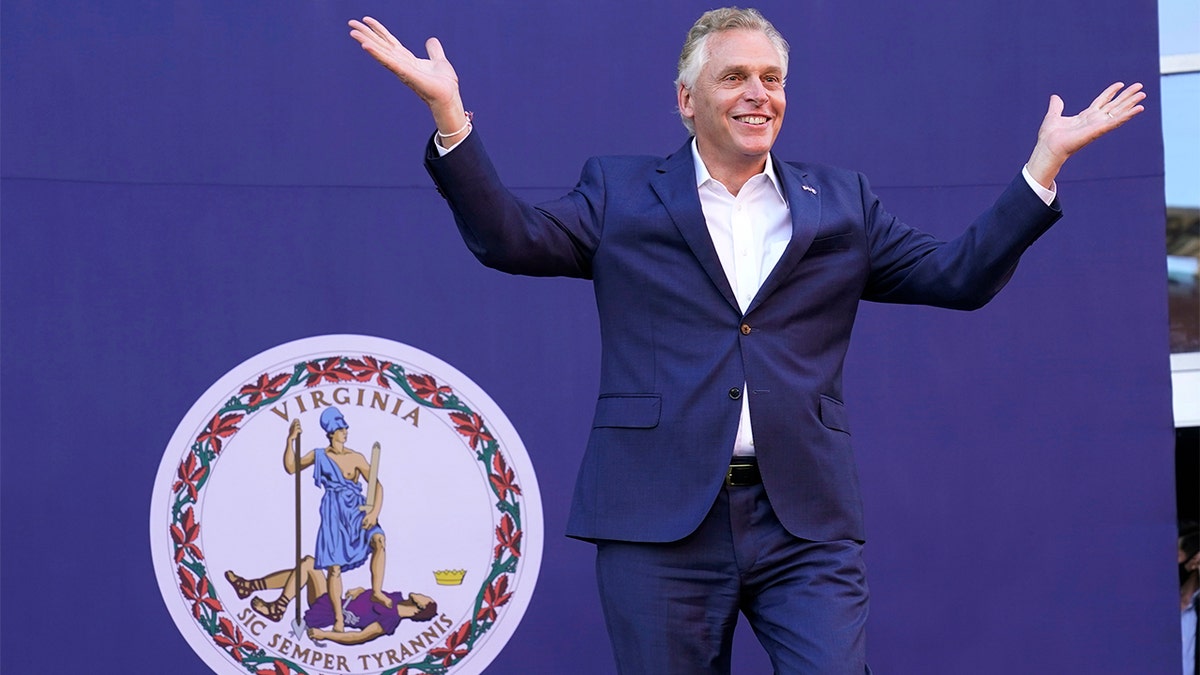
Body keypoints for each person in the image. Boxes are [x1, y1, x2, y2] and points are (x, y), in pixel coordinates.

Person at [348, 7, 1144, 673]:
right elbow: (510, 238)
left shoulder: (840, 201)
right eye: (734, 77)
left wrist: (1045, 163)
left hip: (805, 520)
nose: (758, 93)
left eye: (772, 79)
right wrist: (450, 117)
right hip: (659, 522)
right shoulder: (621, 192)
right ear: (686, 100)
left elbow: (958, 276)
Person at [284, 407, 389, 634]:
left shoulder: (357, 457)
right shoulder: (319, 455)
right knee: (334, 569)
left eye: (345, 427)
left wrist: (373, 513)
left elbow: (377, 485)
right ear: (331, 431)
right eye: (341, 428)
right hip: (334, 513)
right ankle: (339, 619)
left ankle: (377, 590)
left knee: (379, 540)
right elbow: (291, 467)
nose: (345, 431)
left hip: (357, 508)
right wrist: (290, 440)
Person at [224, 556, 437, 646]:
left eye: (427, 599)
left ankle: (278, 607)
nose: (424, 594)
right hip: (335, 598)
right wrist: (363, 590)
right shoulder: (397, 598)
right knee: (306, 567)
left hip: (329, 610)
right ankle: (249, 587)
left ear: (420, 608)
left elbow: (359, 637)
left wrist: (326, 634)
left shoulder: (390, 621)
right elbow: (373, 598)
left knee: (308, 564)